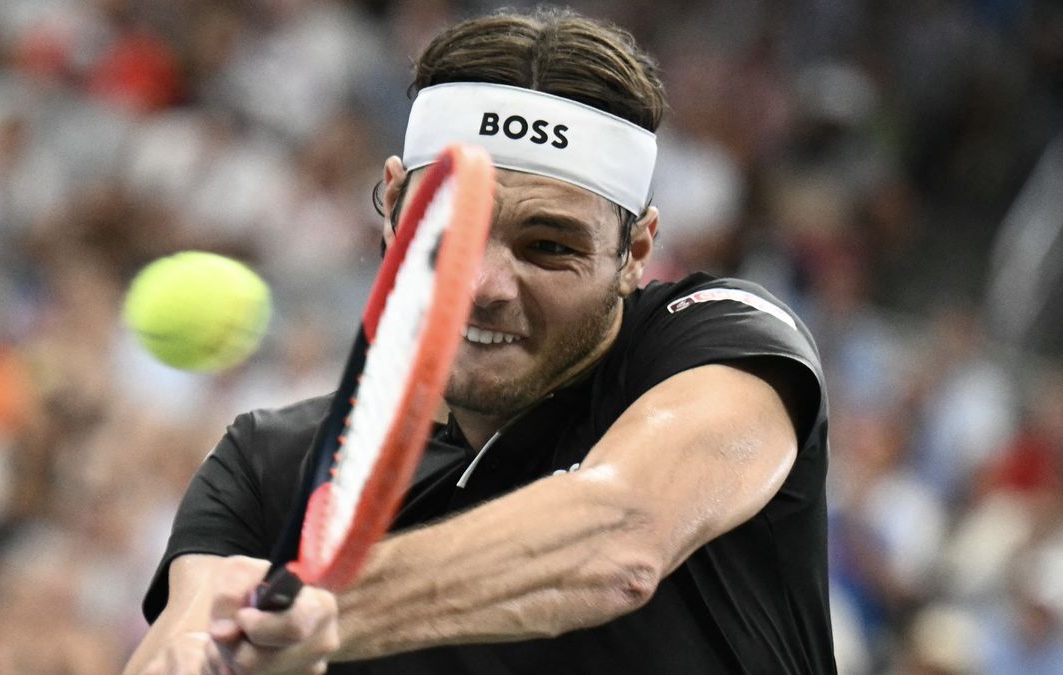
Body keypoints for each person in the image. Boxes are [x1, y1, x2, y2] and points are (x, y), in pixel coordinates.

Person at [125, 7, 836, 674]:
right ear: (393, 206)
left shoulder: (723, 340)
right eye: (450, 228)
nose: (487, 283)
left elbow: (619, 535)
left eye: (549, 245)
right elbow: (184, 636)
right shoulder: (268, 463)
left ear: (636, 253)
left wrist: (313, 605)